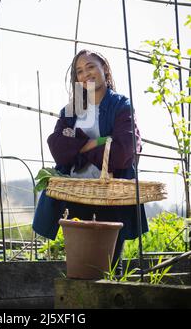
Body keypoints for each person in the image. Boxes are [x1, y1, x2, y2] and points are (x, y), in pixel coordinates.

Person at [32, 49, 148, 274]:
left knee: (109, 265)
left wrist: (78, 147)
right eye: (79, 71)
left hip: (110, 194)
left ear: (104, 68)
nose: (86, 74)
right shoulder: (72, 109)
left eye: (91, 67)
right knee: (80, 264)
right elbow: (57, 148)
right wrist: (97, 143)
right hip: (76, 192)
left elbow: (123, 152)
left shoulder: (120, 105)